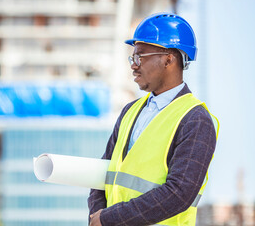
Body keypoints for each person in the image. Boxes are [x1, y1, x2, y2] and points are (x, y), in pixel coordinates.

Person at [87, 13, 219, 226]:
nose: (133, 65)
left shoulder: (195, 119)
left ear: (168, 59)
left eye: (140, 56)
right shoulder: (130, 111)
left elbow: (179, 193)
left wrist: (110, 219)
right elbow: (105, 174)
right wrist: (97, 216)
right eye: (132, 58)